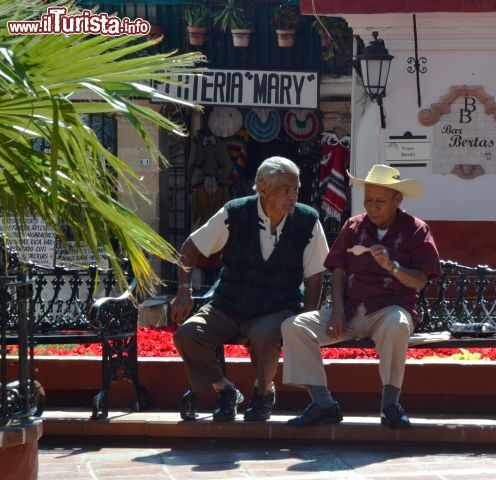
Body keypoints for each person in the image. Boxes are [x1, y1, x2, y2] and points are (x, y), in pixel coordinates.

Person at [170, 156, 329, 423]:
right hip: (228, 304)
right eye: (284, 189)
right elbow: (190, 247)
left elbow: (315, 275)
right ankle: (225, 390)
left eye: (295, 189)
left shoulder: (307, 220)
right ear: (262, 188)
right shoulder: (234, 212)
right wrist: (183, 290)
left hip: (277, 307)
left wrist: (307, 319)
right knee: (187, 334)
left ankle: (263, 392)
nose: (292, 196)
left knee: (265, 334)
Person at [281, 164, 441, 428]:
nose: (372, 207)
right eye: (368, 200)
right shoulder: (354, 226)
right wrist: (338, 311)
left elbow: (421, 280)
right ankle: (323, 403)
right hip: (350, 311)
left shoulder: (416, 230)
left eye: (380, 201)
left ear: (398, 199)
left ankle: (390, 404)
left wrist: (393, 267)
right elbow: (338, 270)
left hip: (389, 311)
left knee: (398, 325)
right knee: (294, 327)